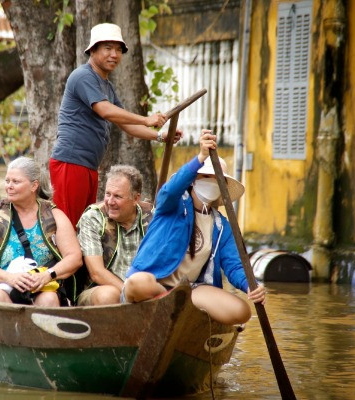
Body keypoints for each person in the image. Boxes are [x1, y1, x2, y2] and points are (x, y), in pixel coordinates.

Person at [122, 130, 266, 325]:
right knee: (136, 284)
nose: (213, 182)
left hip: (191, 290)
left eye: (218, 179)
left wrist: (251, 286)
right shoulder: (172, 205)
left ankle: (179, 306)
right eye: (207, 176)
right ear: (194, 180)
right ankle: (172, 304)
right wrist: (200, 158)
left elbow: (234, 265)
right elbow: (169, 190)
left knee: (241, 312)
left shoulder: (221, 225)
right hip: (155, 285)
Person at [49, 22, 182, 227]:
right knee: (68, 226)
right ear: (93, 50)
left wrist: (159, 136)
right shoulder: (83, 76)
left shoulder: (107, 87)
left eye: (119, 50)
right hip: (71, 163)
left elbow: (126, 124)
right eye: (108, 48)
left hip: (88, 166)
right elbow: (105, 110)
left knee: (83, 226)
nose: (114, 54)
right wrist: (147, 119)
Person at [0, 157, 82, 306]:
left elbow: (74, 258)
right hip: (1, 284)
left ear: (34, 185)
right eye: (7, 181)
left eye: (16, 182)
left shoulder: (54, 215)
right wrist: (9, 278)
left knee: (49, 299)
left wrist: (47, 275)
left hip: (42, 286)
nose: (9, 186)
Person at [76, 165, 153, 306]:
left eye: (117, 196)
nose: (110, 202)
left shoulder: (152, 216)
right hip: (99, 289)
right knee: (108, 296)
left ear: (136, 198)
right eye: (107, 194)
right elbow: (97, 273)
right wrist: (131, 293)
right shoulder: (93, 217)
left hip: (144, 289)